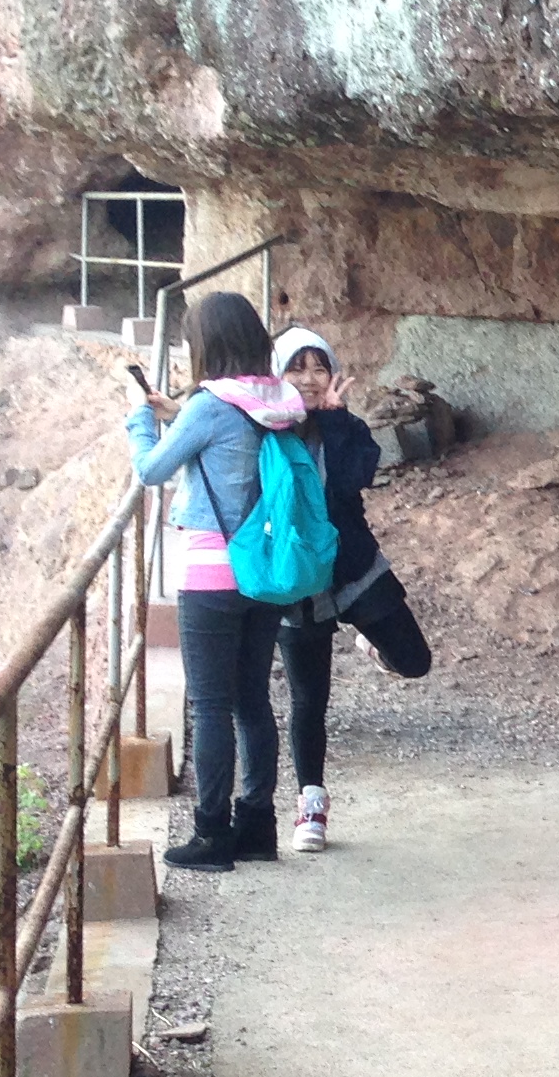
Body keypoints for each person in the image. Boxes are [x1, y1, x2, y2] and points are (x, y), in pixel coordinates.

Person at [126, 292, 302, 871]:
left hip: (210, 572)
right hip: (264, 572)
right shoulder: (275, 400)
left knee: (209, 706)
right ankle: (256, 826)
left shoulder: (208, 405)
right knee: (253, 700)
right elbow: (230, 441)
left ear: (206, 345)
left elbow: (152, 470)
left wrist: (139, 422)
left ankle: (210, 835)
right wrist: (175, 411)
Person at [271, 327, 433, 854]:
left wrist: (336, 420)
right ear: (277, 374)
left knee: (414, 660)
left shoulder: (347, 427)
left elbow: (353, 480)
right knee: (309, 699)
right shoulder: (265, 431)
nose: (310, 380)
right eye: (297, 368)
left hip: (354, 568)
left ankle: (369, 642)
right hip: (296, 583)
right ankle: (310, 807)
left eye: (320, 368)